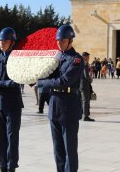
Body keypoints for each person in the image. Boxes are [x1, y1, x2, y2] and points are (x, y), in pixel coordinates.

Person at [37, 25, 83, 172]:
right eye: (58, 40)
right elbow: (48, 74)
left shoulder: (77, 60)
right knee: (58, 150)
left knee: (69, 150)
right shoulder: (57, 57)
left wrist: (41, 83)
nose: (59, 43)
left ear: (70, 40)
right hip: (54, 105)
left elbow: (64, 81)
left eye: (62, 40)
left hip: (69, 107)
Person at [0, 27, 24, 172]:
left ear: (12, 42)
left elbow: (18, 80)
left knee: (12, 137)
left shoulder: (18, 59)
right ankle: (2, 165)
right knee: (0, 138)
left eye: (5, 40)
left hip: (13, 104)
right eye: (0, 40)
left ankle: (11, 166)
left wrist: (0, 84)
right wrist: (5, 84)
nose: (2, 43)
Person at [79, 52, 95, 121]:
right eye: (88, 57)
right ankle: (85, 116)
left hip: (80, 84)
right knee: (86, 100)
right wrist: (90, 79)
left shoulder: (79, 63)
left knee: (81, 100)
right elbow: (86, 75)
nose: (88, 58)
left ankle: (81, 114)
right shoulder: (84, 63)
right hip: (85, 84)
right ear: (84, 57)